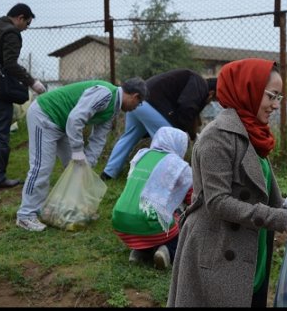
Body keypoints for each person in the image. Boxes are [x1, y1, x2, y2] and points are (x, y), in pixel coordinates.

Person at [166, 58, 287, 307]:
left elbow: (256, 186)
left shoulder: (253, 133)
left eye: (279, 98)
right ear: (249, 89)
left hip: (250, 250)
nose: (276, 105)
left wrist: (286, 205)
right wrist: (280, 219)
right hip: (216, 252)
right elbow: (218, 202)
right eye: (271, 96)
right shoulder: (216, 138)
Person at [16, 77, 147, 232]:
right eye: (139, 103)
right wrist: (78, 151)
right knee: (41, 167)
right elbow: (75, 119)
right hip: (45, 115)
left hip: (62, 124)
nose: (136, 108)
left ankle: (65, 209)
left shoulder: (113, 109)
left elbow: (99, 138)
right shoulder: (105, 94)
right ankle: (25, 215)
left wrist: (87, 164)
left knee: (76, 170)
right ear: (135, 96)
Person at [0, 3, 47, 190]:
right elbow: (10, 65)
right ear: (20, 17)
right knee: (1, 134)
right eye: (27, 24)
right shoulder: (11, 33)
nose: (26, 28)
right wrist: (32, 82)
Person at [101, 68, 216, 180]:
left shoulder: (195, 80)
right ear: (211, 93)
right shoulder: (201, 85)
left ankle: (108, 174)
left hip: (136, 100)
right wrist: (188, 134)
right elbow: (186, 108)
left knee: (128, 138)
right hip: (151, 104)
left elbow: (187, 108)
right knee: (170, 142)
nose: (211, 102)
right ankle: (164, 180)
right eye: (214, 99)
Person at [111, 126, 193, 270]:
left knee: (148, 214)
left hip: (120, 220)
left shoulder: (141, 155)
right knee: (181, 223)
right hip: (150, 224)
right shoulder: (178, 165)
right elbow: (192, 198)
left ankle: (139, 251)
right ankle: (167, 251)